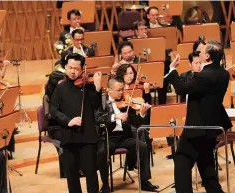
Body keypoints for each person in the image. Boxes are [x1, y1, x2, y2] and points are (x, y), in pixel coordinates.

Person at [165, 40, 232, 193]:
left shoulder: (204, 76)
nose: (199, 52)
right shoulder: (224, 73)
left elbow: (182, 89)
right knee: (206, 167)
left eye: (202, 51)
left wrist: (172, 70)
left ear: (207, 56)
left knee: (181, 159)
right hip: (211, 128)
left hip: (197, 128)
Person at [50, 53, 102, 193]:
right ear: (66, 67)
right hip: (69, 135)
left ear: (82, 69)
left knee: (91, 170)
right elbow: (53, 110)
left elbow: (96, 105)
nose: (73, 71)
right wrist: (68, 121)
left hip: (87, 135)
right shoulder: (61, 87)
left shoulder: (88, 86)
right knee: (71, 173)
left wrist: (97, 89)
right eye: (70, 67)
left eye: (76, 69)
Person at [95, 78, 159, 193]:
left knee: (143, 146)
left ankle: (144, 182)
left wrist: (142, 114)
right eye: (118, 90)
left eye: (122, 89)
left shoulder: (126, 102)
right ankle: (105, 184)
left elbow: (136, 122)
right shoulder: (101, 101)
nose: (121, 92)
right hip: (108, 137)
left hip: (125, 136)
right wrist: (115, 117)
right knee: (101, 152)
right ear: (109, 90)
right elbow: (97, 118)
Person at [166, 51, 201, 160]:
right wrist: (172, 67)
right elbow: (177, 89)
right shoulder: (184, 76)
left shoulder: (204, 78)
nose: (199, 66)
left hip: (199, 115)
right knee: (170, 122)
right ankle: (177, 150)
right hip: (185, 112)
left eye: (201, 63)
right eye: (196, 63)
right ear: (190, 64)